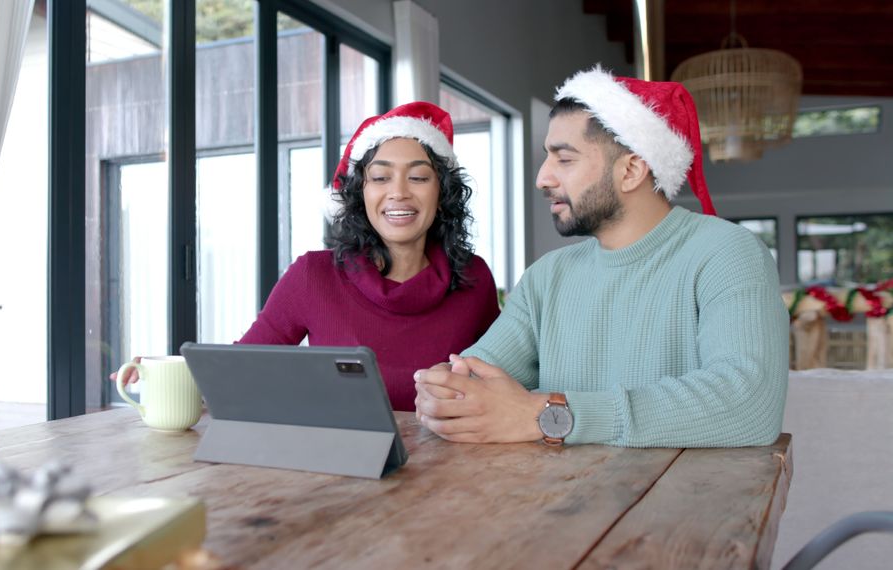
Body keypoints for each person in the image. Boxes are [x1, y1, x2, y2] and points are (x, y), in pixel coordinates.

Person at [413, 66, 788, 448]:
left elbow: (749, 404)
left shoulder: (728, 253)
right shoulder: (547, 276)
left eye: (565, 159)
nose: (543, 177)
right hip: (550, 500)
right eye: (548, 157)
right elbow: (476, 377)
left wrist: (549, 415)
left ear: (631, 170)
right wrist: (446, 388)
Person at [114, 102, 500, 412]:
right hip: (339, 473)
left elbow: (505, 381)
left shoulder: (474, 279)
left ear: (442, 192)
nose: (398, 192)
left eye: (418, 177)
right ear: (359, 193)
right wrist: (165, 374)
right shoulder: (313, 275)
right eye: (380, 177)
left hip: (449, 473)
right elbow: (245, 364)